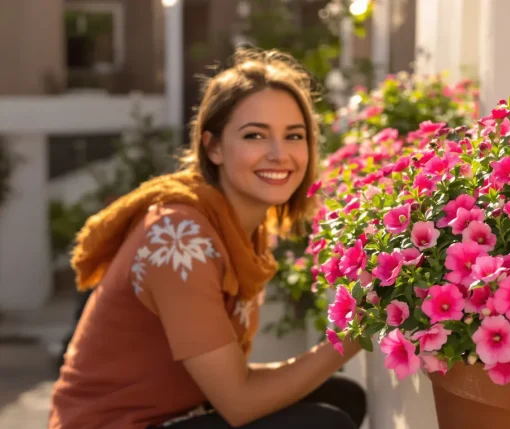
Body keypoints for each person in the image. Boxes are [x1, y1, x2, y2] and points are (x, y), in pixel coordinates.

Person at [49, 49, 366, 429]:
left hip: (178, 414)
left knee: (342, 396)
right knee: (322, 424)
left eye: (293, 135)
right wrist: (354, 335)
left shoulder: (241, 230)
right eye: (255, 135)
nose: (279, 154)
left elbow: (231, 378)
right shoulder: (180, 239)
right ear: (213, 146)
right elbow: (238, 402)